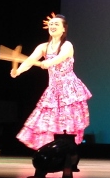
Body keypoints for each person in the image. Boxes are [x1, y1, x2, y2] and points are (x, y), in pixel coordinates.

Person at [11, 13, 92, 151]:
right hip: (53, 90)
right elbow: (29, 61)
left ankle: (66, 152)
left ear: (63, 29)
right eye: (51, 24)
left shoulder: (67, 45)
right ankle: (52, 151)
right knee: (49, 122)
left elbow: (60, 57)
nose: (53, 26)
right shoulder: (43, 47)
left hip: (68, 90)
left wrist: (49, 62)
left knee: (67, 124)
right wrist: (18, 71)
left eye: (56, 24)